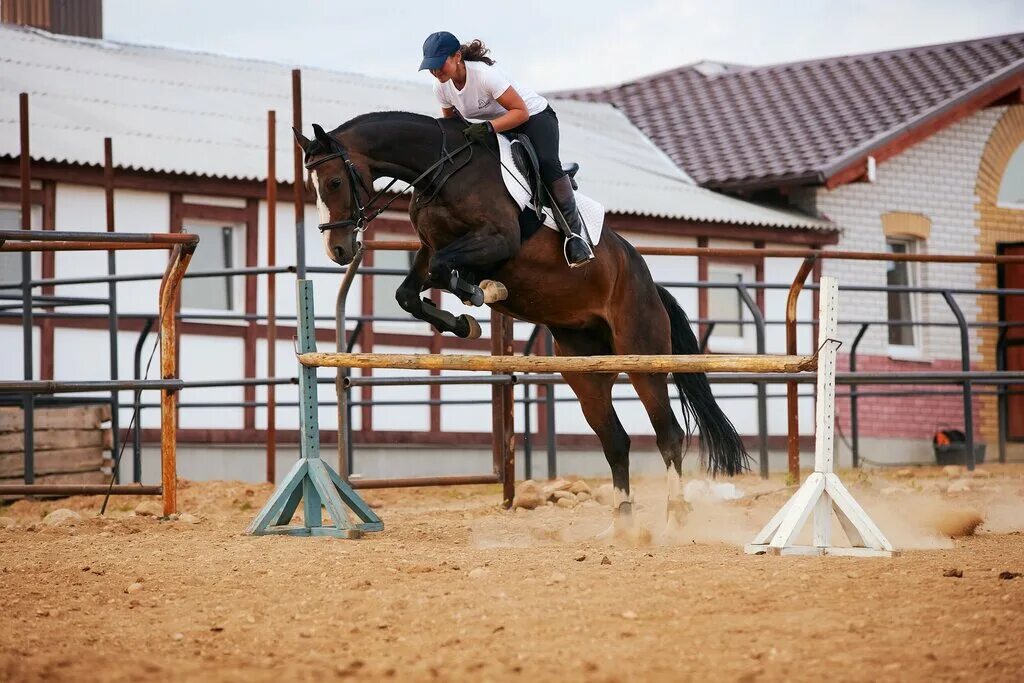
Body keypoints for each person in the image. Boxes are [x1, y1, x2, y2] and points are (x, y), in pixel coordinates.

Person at [419, 31, 595, 267]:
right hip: (499, 126)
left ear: (457, 57)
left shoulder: (484, 77)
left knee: (546, 163)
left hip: (534, 118)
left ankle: (575, 236)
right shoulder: (441, 88)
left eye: (440, 65)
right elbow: (452, 126)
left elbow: (520, 112)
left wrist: (488, 128)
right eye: (430, 67)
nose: (435, 71)